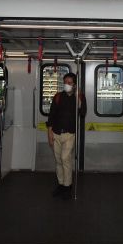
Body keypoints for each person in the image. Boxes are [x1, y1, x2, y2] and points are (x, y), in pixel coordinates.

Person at [47, 72, 87, 200]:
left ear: (74, 84)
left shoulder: (79, 96)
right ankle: (61, 184)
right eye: (65, 82)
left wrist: (78, 97)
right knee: (58, 160)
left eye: (69, 83)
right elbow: (51, 115)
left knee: (65, 158)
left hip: (70, 133)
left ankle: (67, 186)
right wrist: (49, 133)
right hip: (56, 132)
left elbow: (83, 113)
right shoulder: (58, 96)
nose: (66, 85)